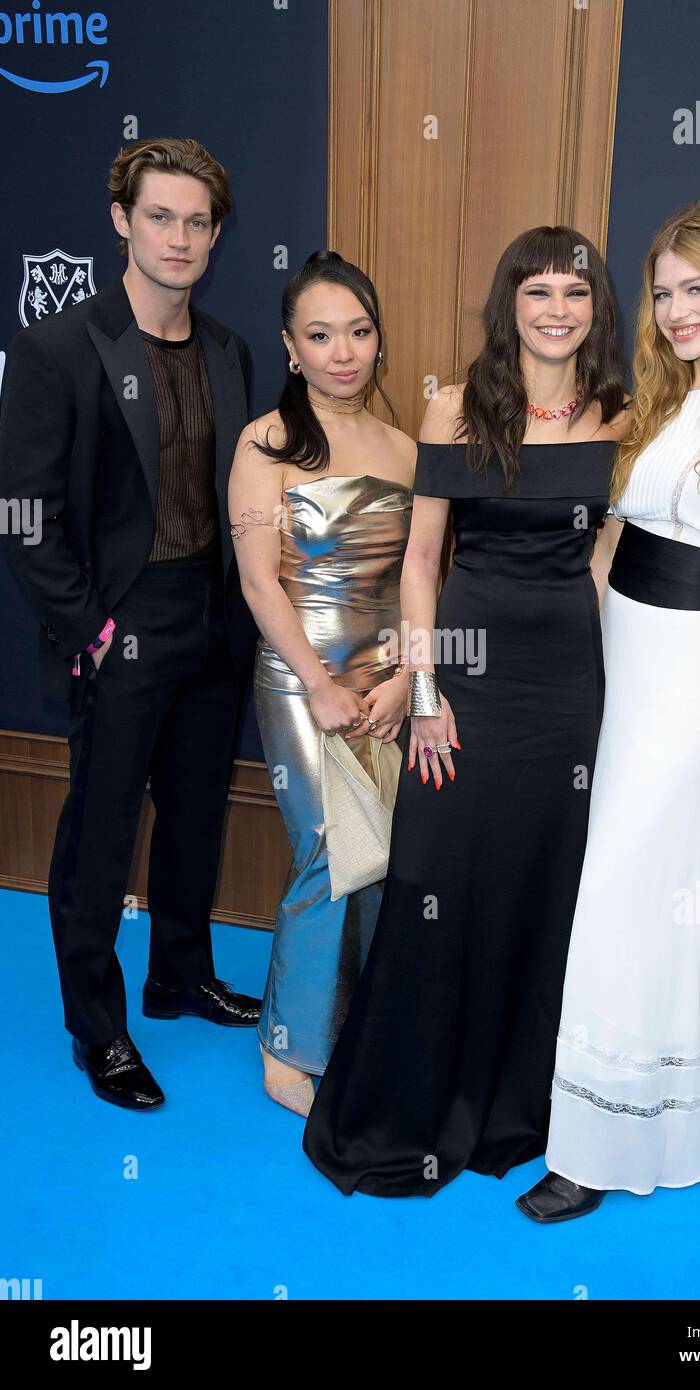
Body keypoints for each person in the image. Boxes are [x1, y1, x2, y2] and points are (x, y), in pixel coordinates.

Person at [303, 225, 630, 1195]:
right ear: (510, 306)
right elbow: (419, 562)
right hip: (467, 679)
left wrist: (629, 685)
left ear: (594, 309)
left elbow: (608, 559)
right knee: (437, 876)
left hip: (567, 684)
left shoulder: (619, 414)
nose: (557, 312)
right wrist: (430, 691)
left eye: (575, 294)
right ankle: (413, 1100)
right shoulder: (454, 409)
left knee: (543, 882)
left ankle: (517, 1104)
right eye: (537, 294)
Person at [516, 199, 700, 1221]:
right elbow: (609, 550)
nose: (680, 309)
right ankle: (611, 1105)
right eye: (664, 293)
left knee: (628, 889)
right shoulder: (655, 403)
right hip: (622, 666)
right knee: (624, 884)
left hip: (696, 674)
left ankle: (601, 1145)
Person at [0, 138, 262, 1111]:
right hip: (120, 623)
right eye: (161, 216)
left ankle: (179, 977)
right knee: (101, 835)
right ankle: (97, 1030)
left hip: (212, 616)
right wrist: (90, 628)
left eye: (198, 221)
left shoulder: (232, 351)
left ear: (217, 234)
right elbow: (24, 511)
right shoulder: (59, 347)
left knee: (196, 813)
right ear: (121, 219)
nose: (180, 237)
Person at [228, 251, 415, 1116]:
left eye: (359, 331)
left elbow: (424, 576)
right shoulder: (267, 441)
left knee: (382, 859)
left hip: (386, 683)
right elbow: (260, 582)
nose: (344, 351)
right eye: (320, 335)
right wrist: (319, 683)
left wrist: (410, 677)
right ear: (291, 347)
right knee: (326, 853)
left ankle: (362, 1024)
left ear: (379, 339)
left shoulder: (409, 450)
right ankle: (289, 1045)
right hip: (301, 677)